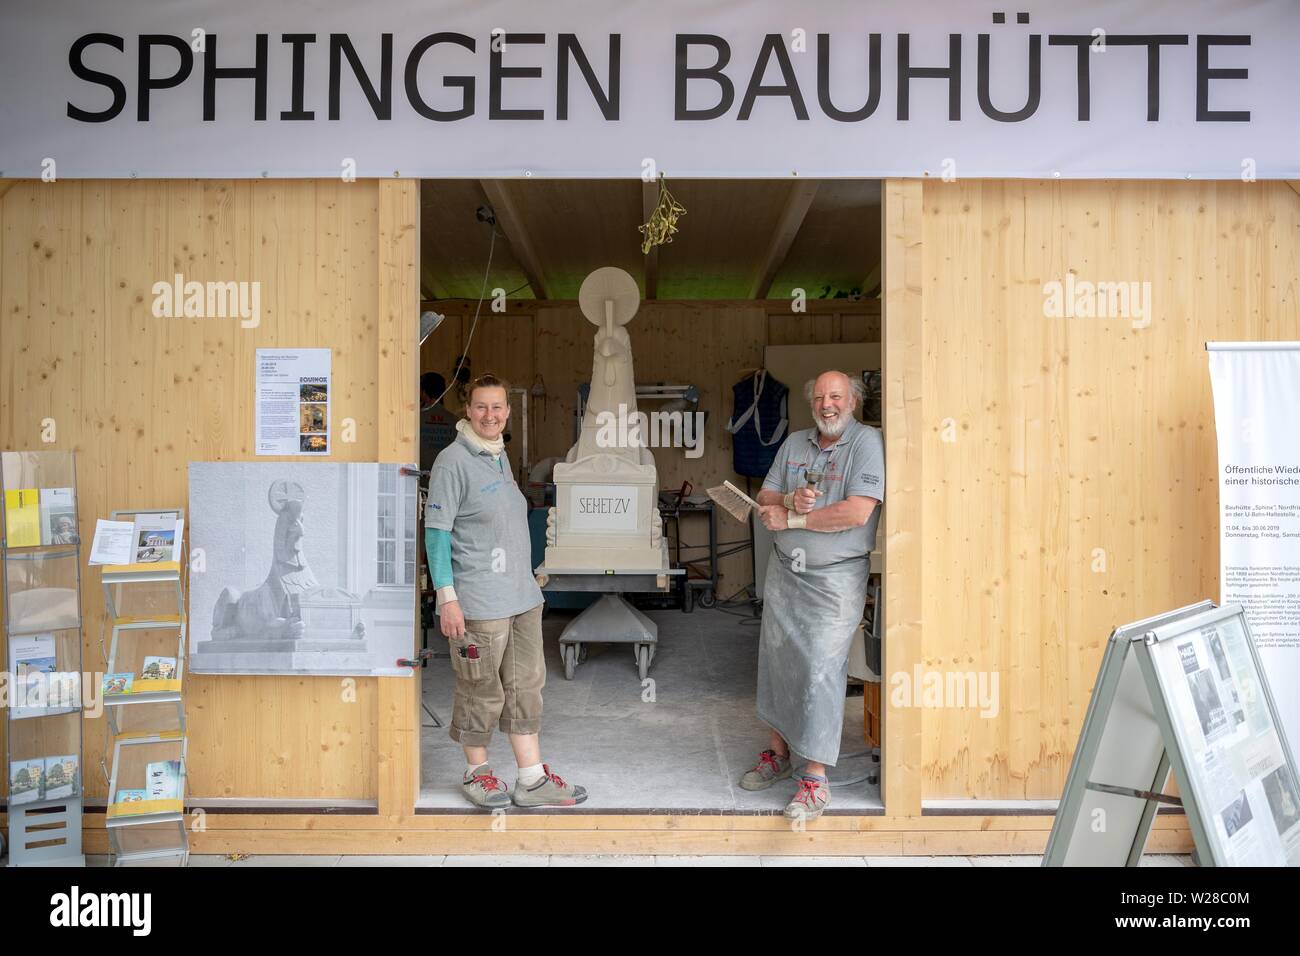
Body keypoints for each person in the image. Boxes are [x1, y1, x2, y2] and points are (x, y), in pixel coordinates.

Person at [424, 373, 587, 809]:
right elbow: (437, 534)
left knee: (525, 687)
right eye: (481, 407)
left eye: (497, 407)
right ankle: (478, 774)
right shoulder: (452, 461)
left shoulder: (497, 455)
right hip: (479, 600)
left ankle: (531, 779)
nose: (489, 415)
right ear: (468, 410)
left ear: (507, 412)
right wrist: (447, 597)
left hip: (521, 599)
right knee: (480, 689)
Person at [740, 370, 884, 821]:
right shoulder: (795, 443)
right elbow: (764, 492)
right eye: (820, 396)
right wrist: (788, 501)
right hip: (785, 571)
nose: (827, 405)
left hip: (835, 577)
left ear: (853, 401)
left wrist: (796, 521)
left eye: (836, 396)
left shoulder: (866, 444)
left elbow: (857, 511)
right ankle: (778, 753)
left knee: (821, 667)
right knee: (780, 662)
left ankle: (815, 779)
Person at [419, 372, 459, 474]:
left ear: (423, 392)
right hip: (446, 479)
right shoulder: (455, 421)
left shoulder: (416, 419)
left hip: (418, 480)